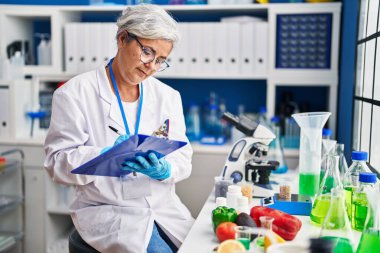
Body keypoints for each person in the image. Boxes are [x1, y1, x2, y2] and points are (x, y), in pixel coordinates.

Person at [44, 4, 194, 253]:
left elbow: (183, 158)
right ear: (123, 38)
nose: (151, 66)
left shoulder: (168, 96)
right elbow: (56, 164)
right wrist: (104, 156)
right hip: (108, 212)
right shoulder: (74, 94)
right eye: (147, 52)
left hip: (164, 209)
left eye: (160, 61)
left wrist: (165, 169)